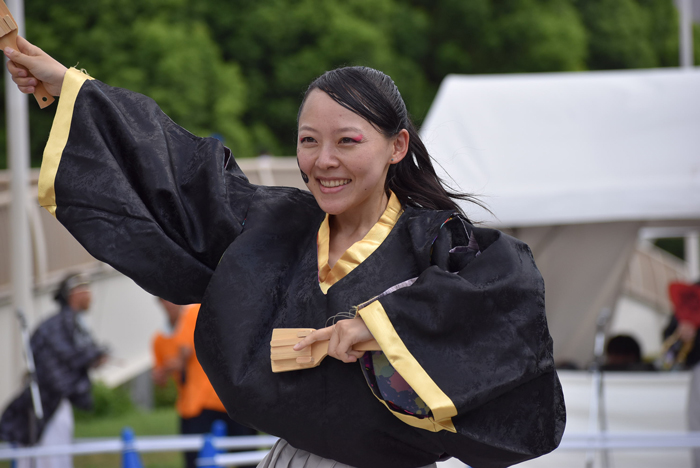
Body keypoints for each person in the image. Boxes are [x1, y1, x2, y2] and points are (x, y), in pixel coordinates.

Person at [4, 37, 565, 468]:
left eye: (347, 140)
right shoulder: (275, 227)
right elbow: (182, 173)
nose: (323, 160)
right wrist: (71, 91)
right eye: (308, 140)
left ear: (397, 146)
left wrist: (381, 326)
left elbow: (505, 297)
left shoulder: (436, 239)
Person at [0, 273, 107, 468]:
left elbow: (71, 357)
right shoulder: (60, 325)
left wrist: (92, 358)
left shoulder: (71, 323)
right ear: (73, 293)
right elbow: (60, 360)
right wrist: (91, 358)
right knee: (50, 458)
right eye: (85, 289)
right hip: (48, 406)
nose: (90, 294)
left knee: (55, 457)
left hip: (55, 405)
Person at [153, 299, 257, 468]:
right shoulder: (159, 339)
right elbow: (163, 377)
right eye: (164, 300)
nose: (170, 303)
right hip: (195, 404)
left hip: (227, 399)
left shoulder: (195, 313)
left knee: (245, 456)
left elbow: (186, 353)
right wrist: (162, 374)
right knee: (196, 459)